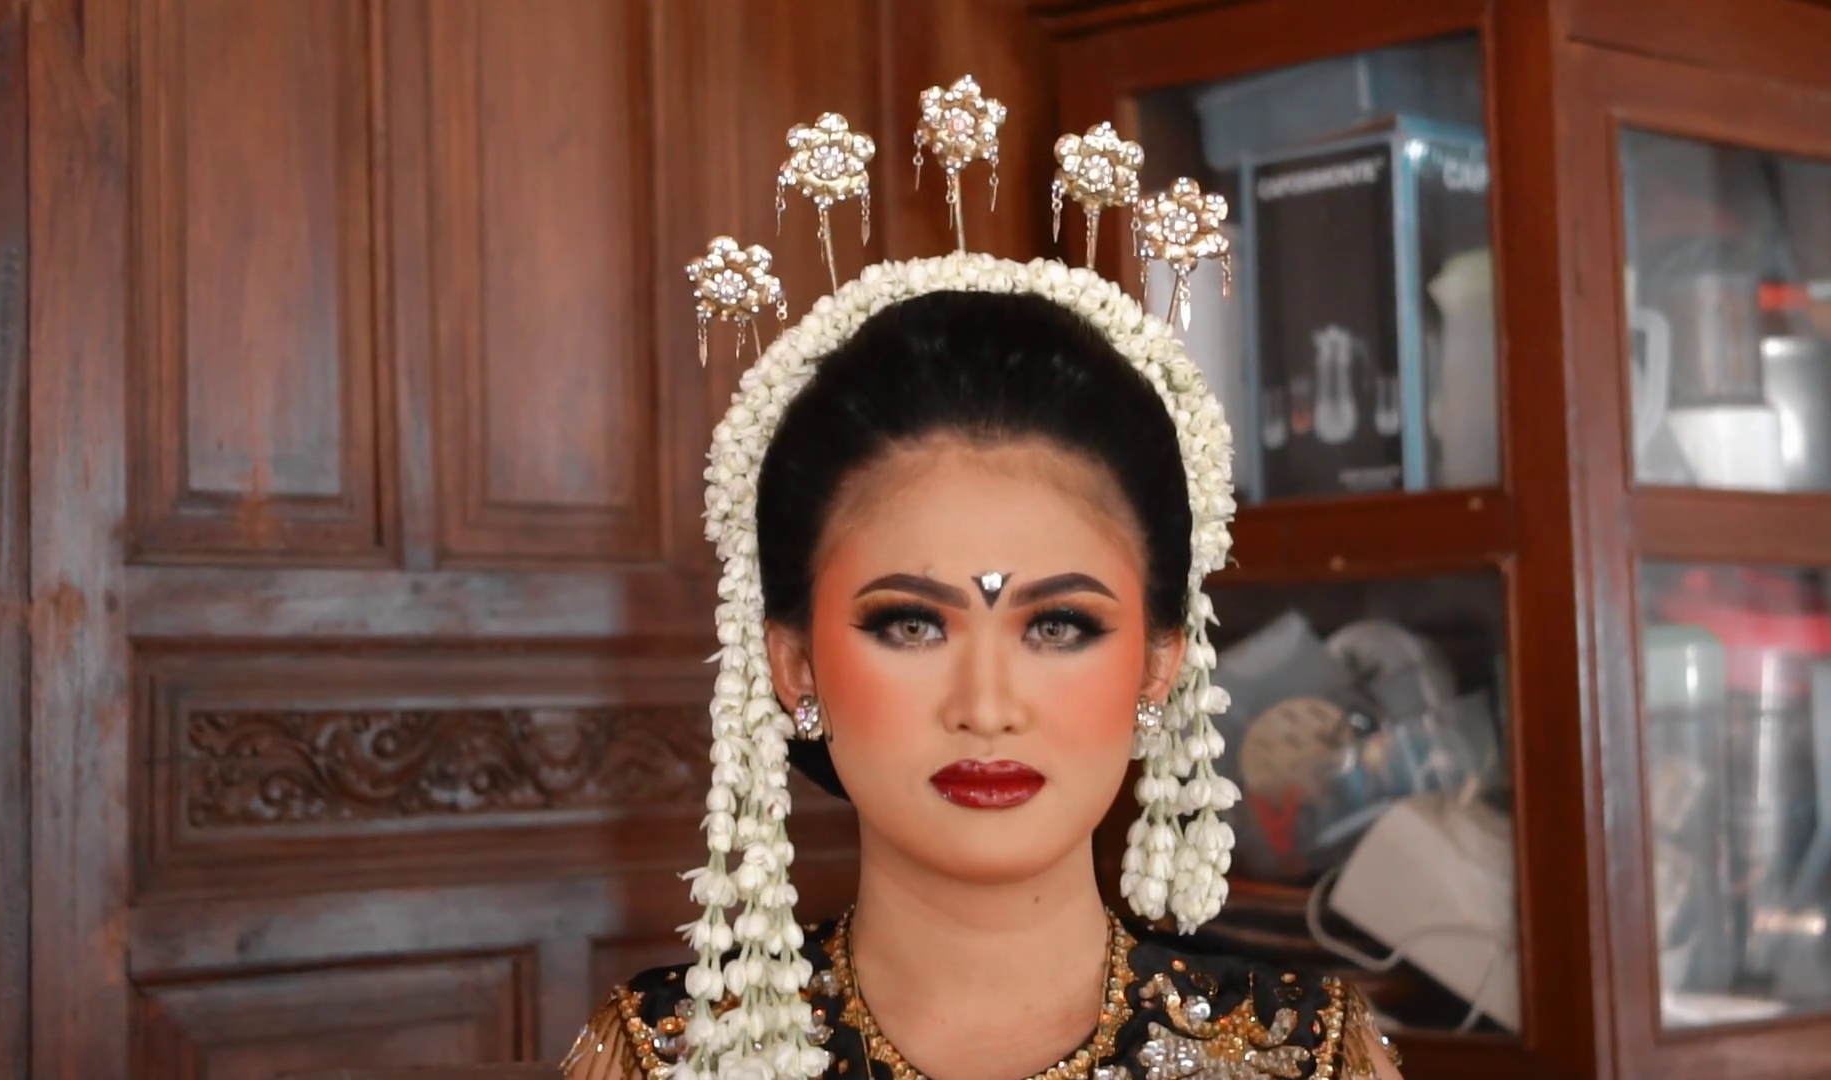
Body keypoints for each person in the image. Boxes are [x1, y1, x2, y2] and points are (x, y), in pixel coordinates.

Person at [563, 87, 1407, 1080]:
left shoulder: (1302, 1056)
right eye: (912, 624)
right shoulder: (668, 1057)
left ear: (1160, 663)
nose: (987, 705)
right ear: (793, 664)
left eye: (1059, 625)